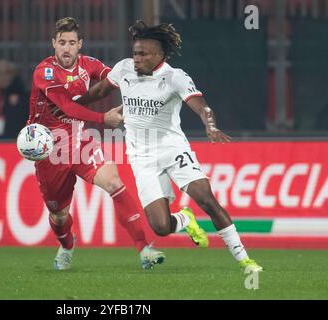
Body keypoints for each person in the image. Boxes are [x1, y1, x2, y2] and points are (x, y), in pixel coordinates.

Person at [76, 21, 263, 272]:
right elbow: (98, 91)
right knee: (161, 227)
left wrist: (210, 126)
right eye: (135, 53)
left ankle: (244, 260)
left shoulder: (175, 77)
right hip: (141, 157)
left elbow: (201, 105)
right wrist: (72, 105)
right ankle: (186, 219)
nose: (136, 58)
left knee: (206, 198)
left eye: (143, 54)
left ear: (160, 55)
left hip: (172, 149)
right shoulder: (123, 70)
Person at [27, 17, 204, 271]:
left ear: (80, 45)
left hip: (78, 141)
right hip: (51, 152)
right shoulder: (44, 72)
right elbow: (66, 106)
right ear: (53, 43)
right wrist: (103, 118)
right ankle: (66, 246)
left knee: (114, 182)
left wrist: (146, 87)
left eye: (72, 43)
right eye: (62, 43)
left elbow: (119, 77)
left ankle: (145, 249)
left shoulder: (89, 65)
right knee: (59, 215)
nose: (67, 48)